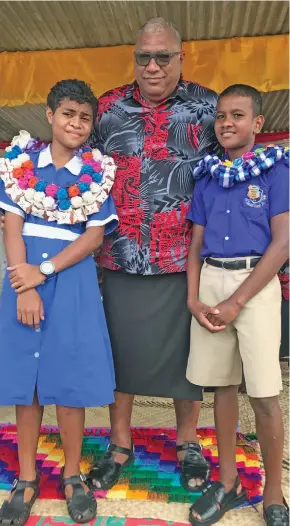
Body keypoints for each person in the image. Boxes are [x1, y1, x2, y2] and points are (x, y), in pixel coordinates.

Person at [87, 17, 220, 492]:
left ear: (181, 58)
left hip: (182, 259)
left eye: (163, 56)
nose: (153, 65)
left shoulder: (209, 108)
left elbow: (226, 174)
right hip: (119, 256)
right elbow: (82, 174)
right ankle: (119, 443)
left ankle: (188, 442)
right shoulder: (106, 108)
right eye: (144, 56)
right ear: (135, 57)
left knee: (188, 355)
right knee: (118, 354)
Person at [0, 79, 118, 525]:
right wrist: (25, 286)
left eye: (86, 118)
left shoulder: (96, 173)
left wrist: (45, 272)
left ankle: (72, 478)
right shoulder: (19, 165)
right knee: (27, 386)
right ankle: (26, 479)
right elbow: (11, 228)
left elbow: (93, 236)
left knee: (69, 383)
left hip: (71, 283)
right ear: (50, 115)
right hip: (21, 278)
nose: (77, 123)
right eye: (68, 114)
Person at [186, 84, 289, 526]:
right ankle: (228, 482)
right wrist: (194, 297)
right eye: (222, 115)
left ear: (258, 124)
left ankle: (273, 492)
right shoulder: (208, 176)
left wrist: (237, 300)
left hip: (256, 285)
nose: (227, 122)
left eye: (238, 115)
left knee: (264, 392)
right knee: (221, 387)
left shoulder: (276, 171)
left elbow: (283, 242)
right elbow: (195, 245)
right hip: (211, 281)